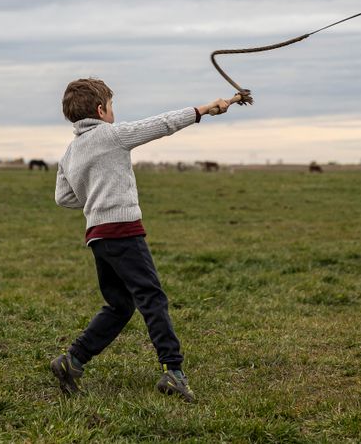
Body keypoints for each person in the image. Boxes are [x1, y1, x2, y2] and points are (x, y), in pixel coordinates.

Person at [51, 77, 233, 403]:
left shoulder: (71, 151)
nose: (113, 112)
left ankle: (72, 360)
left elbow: (63, 197)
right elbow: (161, 124)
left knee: (121, 305)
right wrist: (204, 109)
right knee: (152, 299)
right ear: (100, 110)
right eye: (111, 106)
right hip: (123, 231)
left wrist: (95, 196)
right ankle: (173, 372)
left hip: (98, 237)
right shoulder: (112, 134)